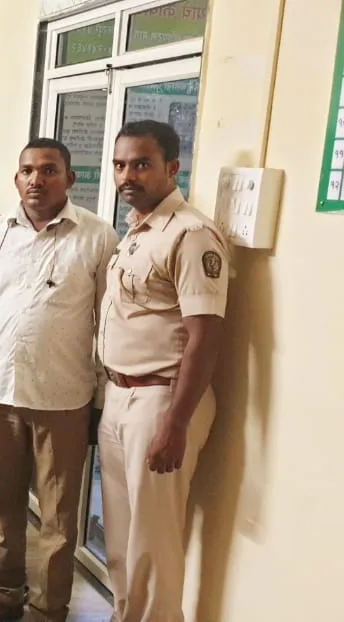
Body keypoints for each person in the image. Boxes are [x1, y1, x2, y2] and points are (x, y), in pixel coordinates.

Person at [0, 139, 118, 622]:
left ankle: (49, 606)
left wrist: (101, 398)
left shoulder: (97, 236)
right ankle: (6, 594)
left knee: (58, 515)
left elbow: (107, 324)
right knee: (2, 503)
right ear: (16, 179)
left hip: (64, 397)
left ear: (70, 178)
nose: (36, 180)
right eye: (27, 171)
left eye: (49, 170)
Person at [99, 120, 228, 622]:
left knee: (153, 538)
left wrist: (175, 423)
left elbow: (205, 336)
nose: (127, 175)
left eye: (141, 164)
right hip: (120, 395)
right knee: (121, 534)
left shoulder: (191, 234)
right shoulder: (138, 228)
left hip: (161, 401)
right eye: (120, 165)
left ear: (172, 168)